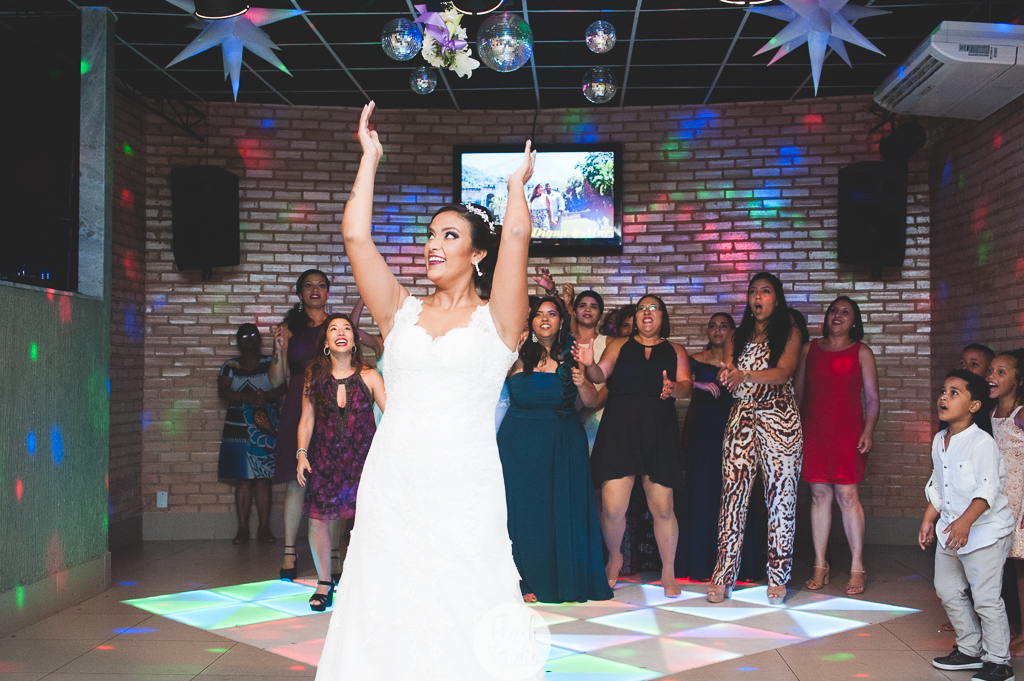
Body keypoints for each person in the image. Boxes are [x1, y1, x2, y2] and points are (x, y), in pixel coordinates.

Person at [314, 102, 542, 681]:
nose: (433, 244)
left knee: (467, 589)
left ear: (478, 253)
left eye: (450, 235)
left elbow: (516, 230)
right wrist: (370, 157)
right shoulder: (400, 313)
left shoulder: (501, 321)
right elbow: (355, 237)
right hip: (394, 476)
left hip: (466, 481)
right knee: (387, 593)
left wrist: (516, 184)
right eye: (430, 234)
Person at [576, 294, 693, 596]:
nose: (646, 312)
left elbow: (686, 386)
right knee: (613, 508)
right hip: (619, 431)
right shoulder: (618, 346)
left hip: (658, 433)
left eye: (653, 308)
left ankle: (669, 569)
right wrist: (588, 364)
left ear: (662, 316)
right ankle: (615, 558)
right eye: (641, 308)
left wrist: (673, 388)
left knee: (663, 507)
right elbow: (599, 374)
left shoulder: (675, 350)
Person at [497, 296, 611, 604]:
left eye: (552, 313)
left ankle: (562, 578)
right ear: (531, 323)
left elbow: (589, 401)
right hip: (518, 445)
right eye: (538, 314)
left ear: (562, 321)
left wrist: (581, 380)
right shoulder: (516, 355)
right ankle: (522, 580)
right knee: (523, 513)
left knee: (559, 510)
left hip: (562, 442)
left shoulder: (572, 357)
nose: (545, 318)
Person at [710, 272, 803, 606]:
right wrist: (728, 375)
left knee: (781, 499)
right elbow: (732, 376)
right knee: (732, 497)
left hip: (779, 419)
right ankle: (723, 575)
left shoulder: (789, 332)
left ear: (776, 299)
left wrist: (745, 374)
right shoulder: (738, 335)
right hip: (741, 418)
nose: (758, 297)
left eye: (765, 291)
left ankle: (778, 577)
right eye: (753, 292)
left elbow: (784, 373)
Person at [922, 370, 1015, 681]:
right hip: (951, 530)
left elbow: (987, 490)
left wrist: (965, 523)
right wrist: (928, 518)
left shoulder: (981, 443)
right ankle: (969, 649)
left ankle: (999, 662)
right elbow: (939, 484)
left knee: (986, 598)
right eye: (943, 391)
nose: (944, 397)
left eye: (954, 392)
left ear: (974, 405)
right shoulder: (939, 440)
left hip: (984, 532)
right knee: (947, 589)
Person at [296, 314, 385, 611]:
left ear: (355, 339)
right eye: (333, 329)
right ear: (325, 342)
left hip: (364, 459)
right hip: (324, 458)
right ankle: (324, 582)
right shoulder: (315, 376)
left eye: (346, 328)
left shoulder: (371, 375)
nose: (340, 332)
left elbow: (394, 416)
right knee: (318, 519)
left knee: (366, 521)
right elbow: (307, 419)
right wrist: (301, 453)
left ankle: (362, 582)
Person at [794, 296, 880, 596]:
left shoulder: (862, 352)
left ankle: (857, 565)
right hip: (814, 430)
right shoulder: (810, 349)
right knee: (818, 494)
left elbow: (871, 399)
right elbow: (798, 395)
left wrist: (869, 430)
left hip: (848, 432)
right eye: (833, 310)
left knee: (847, 494)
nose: (837, 315)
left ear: (854, 321)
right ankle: (820, 563)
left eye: (845, 312)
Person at [675, 313, 764, 582]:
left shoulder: (741, 364)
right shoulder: (694, 360)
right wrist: (699, 384)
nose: (717, 330)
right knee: (702, 492)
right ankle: (700, 564)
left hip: (735, 432)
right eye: (713, 326)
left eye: (723, 326)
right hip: (702, 433)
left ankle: (739, 564)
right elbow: (678, 386)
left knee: (734, 494)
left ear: (733, 332)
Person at [269, 269, 336, 581]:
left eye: (321, 285)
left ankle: (332, 555)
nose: (315, 290)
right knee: (297, 481)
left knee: (333, 481)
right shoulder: (289, 328)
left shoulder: (336, 327)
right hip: (297, 405)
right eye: (308, 286)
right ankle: (289, 552)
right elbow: (277, 380)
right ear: (299, 293)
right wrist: (277, 350)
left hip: (331, 404)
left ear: (327, 293)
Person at [217, 324, 286, 544]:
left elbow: (283, 386)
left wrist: (265, 396)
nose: (249, 340)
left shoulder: (269, 363)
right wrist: (247, 398)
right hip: (237, 430)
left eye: (253, 335)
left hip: (265, 428)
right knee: (243, 480)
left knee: (263, 479)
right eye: (244, 336)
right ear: (238, 341)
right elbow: (223, 391)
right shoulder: (231, 365)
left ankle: (264, 529)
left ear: (260, 340)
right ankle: (243, 529)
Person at [987, 350, 1024, 656]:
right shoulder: (988, 415)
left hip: (1019, 501)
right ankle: (1011, 623)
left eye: (1001, 372)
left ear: (1018, 380)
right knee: (1000, 565)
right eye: (991, 371)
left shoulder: (1020, 415)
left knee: (1017, 564)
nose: (991, 377)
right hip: (997, 502)